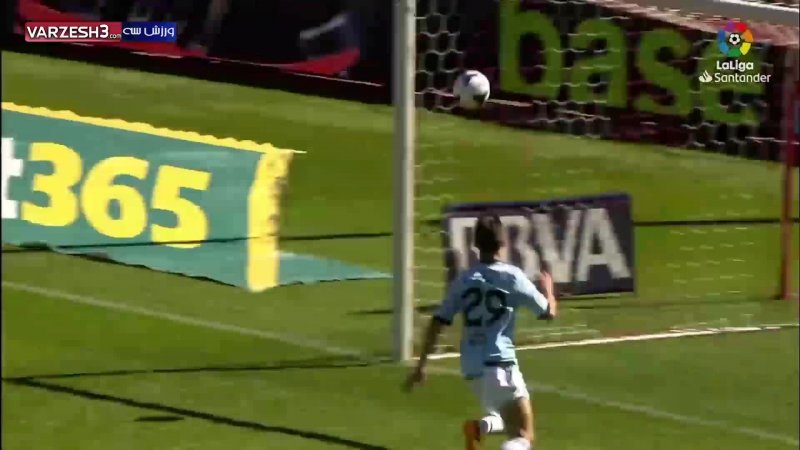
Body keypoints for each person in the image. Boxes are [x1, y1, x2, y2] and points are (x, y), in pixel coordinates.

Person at [404, 213, 558, 450]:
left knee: (503, 413)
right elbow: (548, 313)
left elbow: (438, 321)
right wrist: (549, 290)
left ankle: (478, 428)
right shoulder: (513, 277)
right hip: (499, 365)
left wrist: (421, 365)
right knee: (524, 435)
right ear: (503, 242)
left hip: (471, 368)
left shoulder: (464, 279)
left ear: (475, 244)